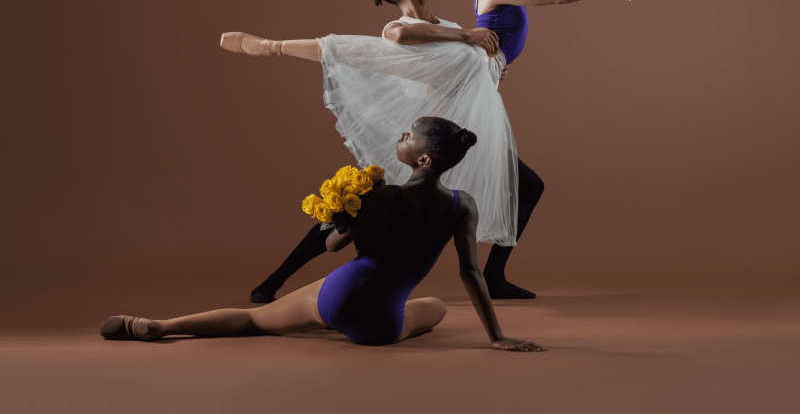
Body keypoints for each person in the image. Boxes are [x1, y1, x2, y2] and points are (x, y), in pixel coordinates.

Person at [99, 118, 545, 352]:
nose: (402, 135)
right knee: (434, 308)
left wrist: (341, 220)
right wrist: (496, 336)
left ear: (423, 159)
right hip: (381, 326)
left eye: (410, 134)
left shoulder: (379, 195)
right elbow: (470, 270)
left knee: (255, 320)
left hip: (339, 294)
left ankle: (157, 326)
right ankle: (342, 321)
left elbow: (333, 246)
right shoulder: (461, 204)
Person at [221, 0, 522, 302]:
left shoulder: (446, 25)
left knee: (524, 187)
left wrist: (488, 73)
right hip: (432, 145)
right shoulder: (407, 26)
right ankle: (275, 281)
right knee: (357, 211)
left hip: (457, 136)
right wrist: (468, 36)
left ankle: (491, 276)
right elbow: (394, 36)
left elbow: (454, 73)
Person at [456, 0, 649, 297]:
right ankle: (486, 276)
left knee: (503, 184)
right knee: (443, 184)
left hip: (484, 92)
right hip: (473, 96)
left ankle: (491, 276)